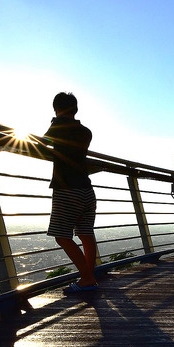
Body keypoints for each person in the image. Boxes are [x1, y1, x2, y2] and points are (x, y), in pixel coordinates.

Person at [44, 92, 98, 293]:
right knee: (85, 232)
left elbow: (44, 142)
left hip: (67, 189)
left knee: (61, 236)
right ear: (76, 109)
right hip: (87, 189)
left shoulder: (58, 126)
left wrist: (55, 121)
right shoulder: (86, 132)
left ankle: (87, 277)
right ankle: (89, 277)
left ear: (56, 109)